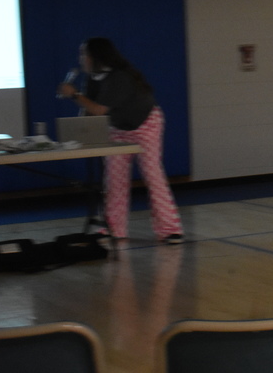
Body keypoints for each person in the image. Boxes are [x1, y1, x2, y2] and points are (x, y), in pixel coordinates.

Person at [57, 37, 184, 244]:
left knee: (152, 175)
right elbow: (90, 111)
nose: (81, 59)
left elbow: (99, 109)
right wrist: (80, 129)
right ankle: (113, 228)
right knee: (114, 180)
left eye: (84, 54)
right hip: (118, 128)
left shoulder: (119, 78)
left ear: (95, 56)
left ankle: (171, 229)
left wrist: (73, 95)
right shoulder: (92, 78)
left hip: (146, 124)